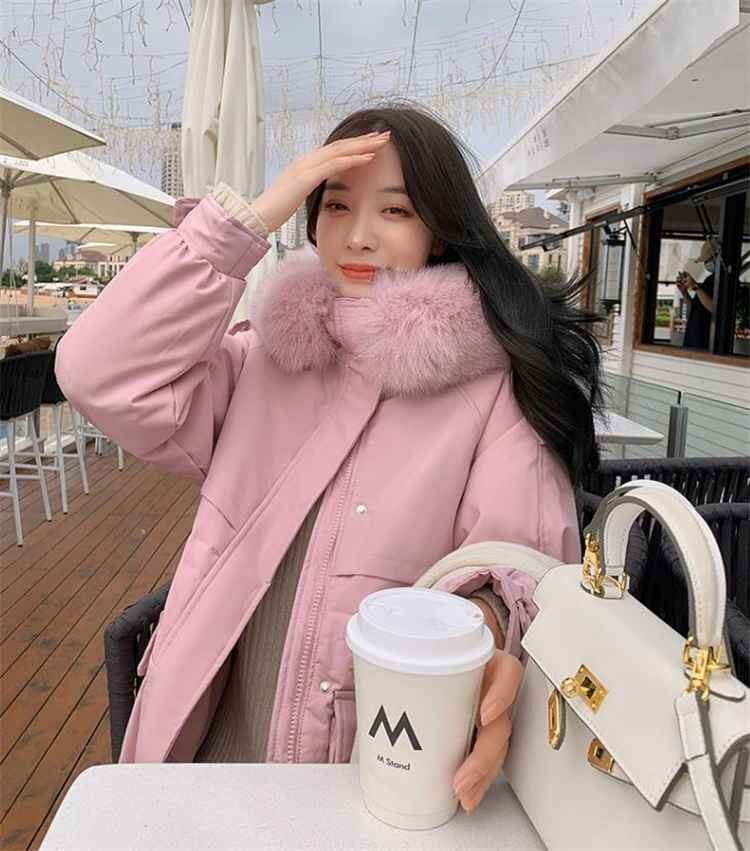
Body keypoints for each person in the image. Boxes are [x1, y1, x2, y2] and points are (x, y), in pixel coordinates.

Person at [55, 102, 602, 814]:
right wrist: (242, 226)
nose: (358, 235)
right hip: (204, 745)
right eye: (335, 204)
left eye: (395, 211)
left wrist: (486, 631)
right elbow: (99, 372)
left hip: (368, 767)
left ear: (439, 230)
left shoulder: (491, 389)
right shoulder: (263, 358)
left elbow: (518, 566)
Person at [676, 239, 718, 350]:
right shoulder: (709, 280)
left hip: (704, 341)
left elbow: (715, 308)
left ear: (717, 258)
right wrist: (684, 291)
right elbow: (694, 307)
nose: (705, 264)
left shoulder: (722, 282)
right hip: (693, 338)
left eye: (707, 260)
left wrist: (695, 286)